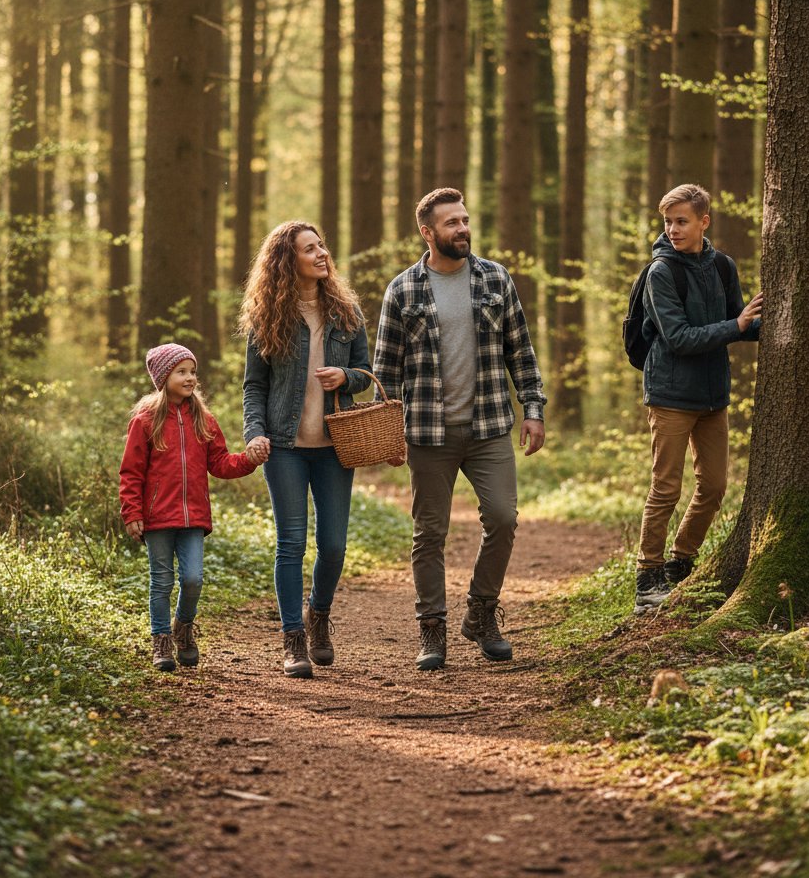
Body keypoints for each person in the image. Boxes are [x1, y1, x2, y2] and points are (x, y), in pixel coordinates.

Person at [373, 188, 546, 671]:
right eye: (451, 223)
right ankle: (432, 629)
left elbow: (521, 352)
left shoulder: (495, 278)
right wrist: (388, 432)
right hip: (429, 434)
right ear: (427, 233)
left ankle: (482, 612)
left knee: (504, 519)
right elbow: (385, 372)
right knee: (429, 533)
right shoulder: (402, 290)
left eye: (465, 220)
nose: (462, 229)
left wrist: (533, 408)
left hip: (489, 426)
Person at [240, 221, 372, 679]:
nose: (321, 254)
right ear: (286, 260)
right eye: (309, 249)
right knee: (291, 543)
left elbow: (366, 372)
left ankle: (319, 614)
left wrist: (345, 377)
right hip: (284, 447)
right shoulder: (267, 317)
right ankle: (293, 638)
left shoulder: (347, 311)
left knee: (334, 546)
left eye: (321, 246)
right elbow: (254, 387)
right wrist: (254, 433)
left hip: (336, 444)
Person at [634, 183, 763, 613]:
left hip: (712, 397)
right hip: (670, 395)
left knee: (715, 486)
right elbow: (679, 338)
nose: (673, 229)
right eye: (668, 221)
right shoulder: (661, 273)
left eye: (681, 221)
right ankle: (647, 577)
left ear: (703, 222)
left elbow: (739, 320)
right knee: (665, 488)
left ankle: (681, 562)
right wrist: (738, 326)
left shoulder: (723, 267)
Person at [119, 343, 266, 672]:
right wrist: (132, 513)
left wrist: (249, 460)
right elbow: (130, 472)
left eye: (192, 371)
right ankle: (161, 640)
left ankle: (182, 629)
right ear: (163, 377)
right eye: (181, 372)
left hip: (193, 517)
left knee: (193, 578)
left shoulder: (205, 420)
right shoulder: (145, 421)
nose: (190, 378)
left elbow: (222, 463)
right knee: (161, 581)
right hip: (157, 517)